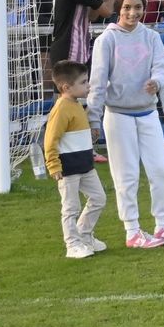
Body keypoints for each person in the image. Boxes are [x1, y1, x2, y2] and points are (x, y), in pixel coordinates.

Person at [88, 0, 164, 249]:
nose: (132, 13)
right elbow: (97, 82)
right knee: (126, 175)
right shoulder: (106, 39)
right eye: (127, 7)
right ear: (118, 8)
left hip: (148, 112)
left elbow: (162, 68)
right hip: (118, 114)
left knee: (161, 171)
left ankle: (162, 225)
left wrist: (158, 82)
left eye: (138, 7)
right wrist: (93, 120)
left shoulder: (151, 36)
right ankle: (132, 230)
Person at [43, 60, 106, 259]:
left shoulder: (77, 105)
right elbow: (51, 139)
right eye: (84, 82)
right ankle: (72, 244)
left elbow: (76, 136)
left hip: (86, 166)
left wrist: (90, 147)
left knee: (98, 198)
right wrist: (53, 165)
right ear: (66, 87)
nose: (88, 86)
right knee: (71, 208)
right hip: (68, 169)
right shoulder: (61, 109)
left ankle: (84, 235)